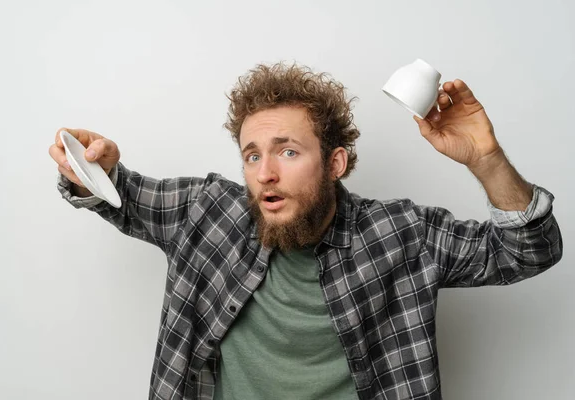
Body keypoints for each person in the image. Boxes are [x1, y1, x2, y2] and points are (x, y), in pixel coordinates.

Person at [49, 62, 563, 400]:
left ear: (335, 162)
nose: (265, 173)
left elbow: (528, 252)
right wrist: (87, 165)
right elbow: (114, 194)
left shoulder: (400, 236)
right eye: (253, 155)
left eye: (288, 151)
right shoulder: (206, 212)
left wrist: (488, 160)